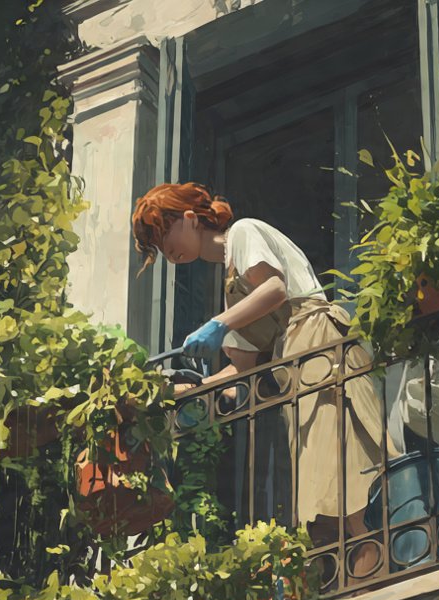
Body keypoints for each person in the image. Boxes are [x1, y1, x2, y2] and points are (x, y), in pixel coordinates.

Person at [131, 183, 386, 564]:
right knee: (323, 494)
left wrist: (218, 324)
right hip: (299, 371)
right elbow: (243, 373)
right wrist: (191, 389)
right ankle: (344, 580)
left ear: (188, 217)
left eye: (162, 232)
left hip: (320, 351)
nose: (166, 250)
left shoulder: (244, 233)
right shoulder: (232, 287)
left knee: (345, 481)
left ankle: (370, 572)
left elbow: (275, 289)